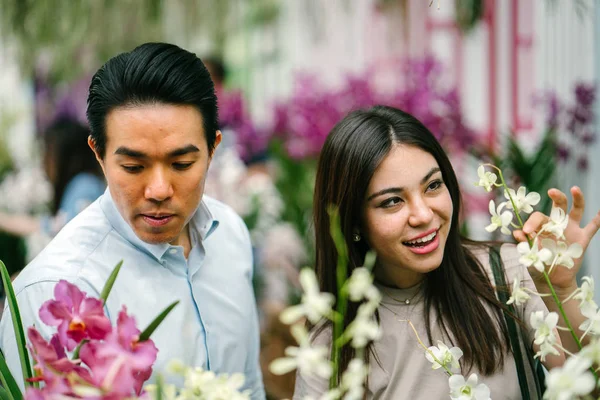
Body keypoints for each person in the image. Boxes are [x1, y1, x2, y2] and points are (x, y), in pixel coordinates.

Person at [0, 42, 265, 399]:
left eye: (182, 164)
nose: (158, 189)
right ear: (99, 154)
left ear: (213, 148)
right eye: (133, 167)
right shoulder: (55, 290)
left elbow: (247, 384)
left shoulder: (229, 234)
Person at [294, 105, 600, 399]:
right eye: (392, 201)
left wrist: (557, 287)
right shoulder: (333, 343)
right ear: (353, 220)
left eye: (432, 186)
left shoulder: (506, 274)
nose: (424, 215)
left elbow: (589, 388)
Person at [0, 117, 105, 244]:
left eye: (47, 154)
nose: (44, 164)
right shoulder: (85, 183)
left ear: (65, 156)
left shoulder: (84, 185)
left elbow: (63, 229)